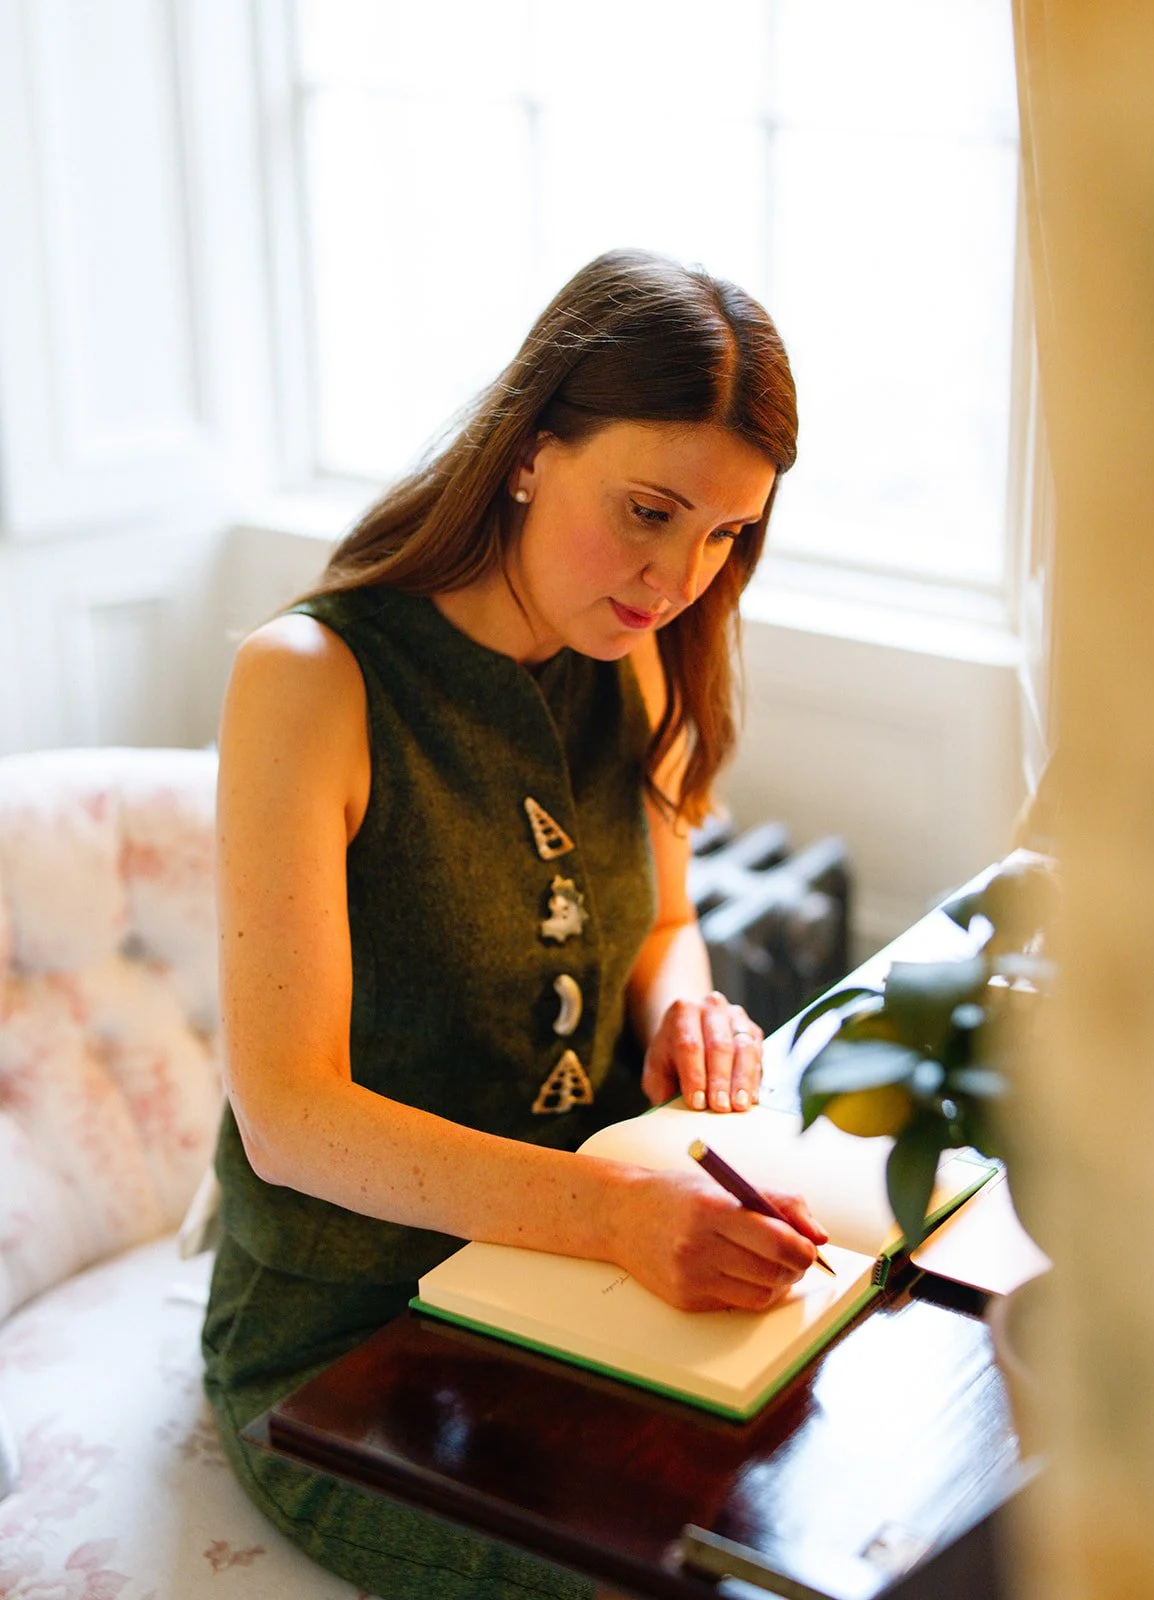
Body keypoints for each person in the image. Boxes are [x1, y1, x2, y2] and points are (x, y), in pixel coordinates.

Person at [202, 248, 828, 1600]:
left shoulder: (635, 646)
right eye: (649, 511)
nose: (676, 576)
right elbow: (289, 1118)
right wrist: (608, 1216)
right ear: (531, 449)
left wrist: (686, 1011)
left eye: (723, 535)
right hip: (353, 1326)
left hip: (576, 1276)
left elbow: (663, 921)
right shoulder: (311, 681)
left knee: (808, 1522)